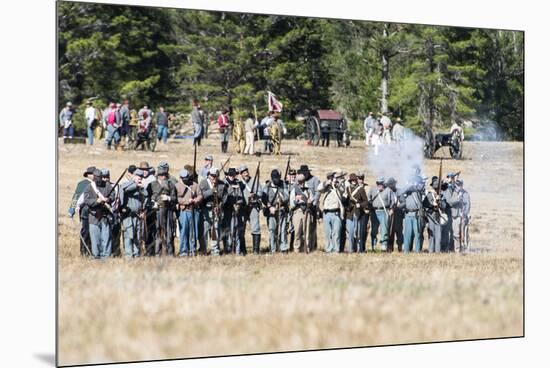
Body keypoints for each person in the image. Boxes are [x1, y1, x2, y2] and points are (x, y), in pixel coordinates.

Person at [82, 169, 115, 259]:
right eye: (97, 177)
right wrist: (97, 201)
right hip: (94, 216)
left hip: (105, 216)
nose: (99, 179)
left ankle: (106, 257)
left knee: (106, 238)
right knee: (95, 240)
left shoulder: (107, 185)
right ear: (94, 177)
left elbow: (113, 195)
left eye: (100, 177)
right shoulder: (89, 187)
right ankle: (96, 257)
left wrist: (108, 199)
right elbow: (87, 201)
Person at [68, 166, 96, 256]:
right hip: (85, 210)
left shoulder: (97, 183)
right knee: (86, 231)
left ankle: (92, 251)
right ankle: (84, 252)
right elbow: (76, 197)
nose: (94, 175)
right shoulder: (83, 183)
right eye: (92, 173)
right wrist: (72, 209)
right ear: (88, 175)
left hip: (95, 209)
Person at [150, 164, 177, 256]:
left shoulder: (171, 184)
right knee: (158, 233)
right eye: (161, 175)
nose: (163, 177)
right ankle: (158, 253)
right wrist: (153, 203)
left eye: (165, 175)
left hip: (168, 211)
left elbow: (175, 198)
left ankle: (170, 254)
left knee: (169, 233)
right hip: (157, 212)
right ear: (158, 176)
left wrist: (168, 198)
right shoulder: (152, 185)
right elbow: (147, 198)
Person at [119, 169, 147, 259]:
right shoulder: (126, 184)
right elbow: (125, 189)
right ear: (134, 176)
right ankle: (129, 256)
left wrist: (141, 187)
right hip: (128, 215)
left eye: (141, 177)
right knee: (128, 235)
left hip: (138, 215)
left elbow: (146, 195)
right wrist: (136, 185)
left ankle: (136, 254)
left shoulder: (140, 187)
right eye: (139, 177)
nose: (140, 179)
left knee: (137, 235)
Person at [176, 168, 203, 257]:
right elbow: (177, 199)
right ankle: (183, 251)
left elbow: (200, 195)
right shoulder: (177, 186)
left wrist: (195, 200)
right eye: (183, 178)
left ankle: (192, 250)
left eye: (187, 177)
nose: (185, 180)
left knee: (194, 231)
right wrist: (187, 201)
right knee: (183, 231)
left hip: (194, 211)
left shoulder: (195, 185)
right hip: (184, 211)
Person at [199, 167, 225, 255]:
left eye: (216, 176)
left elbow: (224, 197)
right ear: (209, 175)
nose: (214, 178)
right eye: (212, 176)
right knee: (205, 231)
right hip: (206, 210)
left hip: (216, 210)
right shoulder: (203, 183)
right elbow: (201, 196)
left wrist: (219, 206)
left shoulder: (221, 184)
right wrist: (212, 191)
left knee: (216, 230)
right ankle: (203, 250)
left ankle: (215, 250)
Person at [262, 169, 289, 253]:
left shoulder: (283, 184)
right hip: (271, 211)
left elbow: (287, 196)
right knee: (272, 230)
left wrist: (281, 199)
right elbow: (264, 198)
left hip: (281, 210)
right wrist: (270, 207)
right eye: (275, 178)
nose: (276, 180)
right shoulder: (267, 186)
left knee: (283, 229)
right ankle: (272, 249)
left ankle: (283, 248)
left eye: (278, 178)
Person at [318, 170, 345, 253]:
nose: (332, 179)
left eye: (333, 177)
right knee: (327, 233)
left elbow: (342, 190)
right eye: (330, 177)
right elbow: (319, 189)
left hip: (336, 212)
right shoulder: (325, 186)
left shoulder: (339, 185)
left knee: (336, 233)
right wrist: (327, 183)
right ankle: (329, 249)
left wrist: (335, 184)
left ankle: (336, 249)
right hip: (326, 212)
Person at [221, 168, 246, 254]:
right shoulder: (224, 183)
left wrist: (238, 205)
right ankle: (227, 249)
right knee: (227, 231)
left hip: (236, 210)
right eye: (230, 175)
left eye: (233, 175)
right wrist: (231, 187)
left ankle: (237, 250)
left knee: (236, 231)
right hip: (227, 210)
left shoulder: (238, 183)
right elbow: (224, 196)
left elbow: (242, 191)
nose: (232, 176)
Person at [367, 177, 396, 252]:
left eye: (381, 183)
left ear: (384, 184)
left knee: (384, 230)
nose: (379, 185)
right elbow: (368, 199)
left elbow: (393, 201)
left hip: (384, 211)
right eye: (378, 183)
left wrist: (392, 209)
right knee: (374, 230)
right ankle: (373, 246)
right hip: (374, 212)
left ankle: (384, 247)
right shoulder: (373, 189)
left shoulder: (389, 190)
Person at [342, 173, 369, 253]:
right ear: (350, 181)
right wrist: (344, 197)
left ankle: (358, 249)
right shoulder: (347, 189)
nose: (353, 181)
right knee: (350, 233)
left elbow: (366, 202)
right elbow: (344, 202)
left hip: (358, 213)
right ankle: (350, 249)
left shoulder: (361, 189)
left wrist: (360, 205)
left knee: (358, 233)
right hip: (349, 214)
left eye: (354, 180)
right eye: (352, 180)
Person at [297, 165, 320, 251]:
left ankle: (312, 246)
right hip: (302, 207)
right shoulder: (299, 180)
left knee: (312, 228)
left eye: (305, 173)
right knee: (301, 229)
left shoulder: (315, 180)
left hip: (312, 207)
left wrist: (313, 203)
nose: (303, 174)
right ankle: (302, 246)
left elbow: (318, 193)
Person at [400, 176, 425, 253]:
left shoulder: (419, 190)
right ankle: (406, 251)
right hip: (408, 214)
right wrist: (410, 185)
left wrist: (414, 185)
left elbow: (420, 189)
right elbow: (401, 192)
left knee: (417, 234)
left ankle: (417, 251)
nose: (421, 184)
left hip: (416, 214)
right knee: (407, 234)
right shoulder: (407, 189)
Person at [423, 176, 448, 253]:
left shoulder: (441, 196)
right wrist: (432, 204)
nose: (436, 189)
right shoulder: (429, 195)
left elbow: (444, 206)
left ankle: (437, 251)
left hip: (438, 217)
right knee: (431, 236)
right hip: (431, 217)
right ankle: (431, 251)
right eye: (435, 187)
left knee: (438, 236)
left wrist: (439, 201)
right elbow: (425, 204)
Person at [101, 169, 122, 257]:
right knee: (105, 235)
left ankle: (116, 253)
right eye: (104, 177)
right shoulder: (99, 187)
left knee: (116, 234)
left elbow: (119, 199)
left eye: (107, 177)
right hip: (104, 213)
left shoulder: (116, 186)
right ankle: (105, 253)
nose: (106, 179)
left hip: (115, 213)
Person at [444, 172, 465, 253]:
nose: (452, 179)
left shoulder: (455, 187)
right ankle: (452, 250)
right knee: (451, 234)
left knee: (457, 234)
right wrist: (458, 199)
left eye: (453, 178)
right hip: (450, 214)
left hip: (456, 214)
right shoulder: (448, 188)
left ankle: (457, 250)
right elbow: (449, 201)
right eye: (451, 178)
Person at [386, 177, 403, 252]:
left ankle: (400, 247)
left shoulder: (399, 191)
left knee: (399, 232)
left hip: (398, 214)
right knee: (390, 232)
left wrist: (398, 206)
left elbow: (404, 203)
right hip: (390, 214)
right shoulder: (387, 192)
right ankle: (390, 248)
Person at [455, 179, 471, 251]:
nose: (459, 186)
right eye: (457, 185)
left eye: (460, 185)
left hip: (463, 216)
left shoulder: (465, 194)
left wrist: (464, 214)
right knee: (456, 233)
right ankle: (458, 247)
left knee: (464, 232)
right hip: (456, 215)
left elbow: (468, 205)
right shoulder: (455, 193)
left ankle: (465, 247)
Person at [356, 172, 370, 252]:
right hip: (356, 211)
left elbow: (368, 200)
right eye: (359, 178)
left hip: (365, 212)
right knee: (355, 230)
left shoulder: (367, 188)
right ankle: (355, 248)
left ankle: (362, 248)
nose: (360, 180)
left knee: (363, 231)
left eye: (361, 178)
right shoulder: (354, 187)